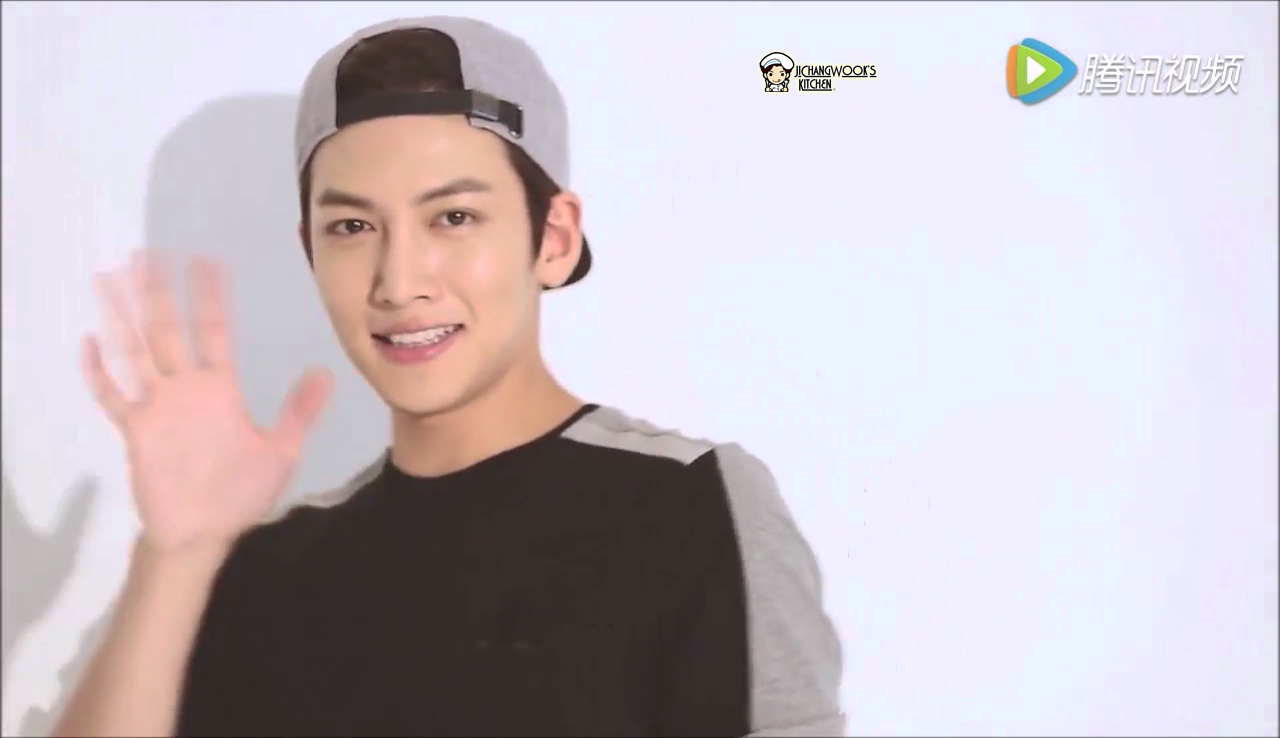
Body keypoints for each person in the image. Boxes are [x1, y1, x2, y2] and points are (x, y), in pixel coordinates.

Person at [53, 16, 845, 738]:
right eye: (352, 226)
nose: (399, 281)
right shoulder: (269, 565)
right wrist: (176, 554)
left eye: (453, 217)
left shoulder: (690, 505)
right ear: (310, 252)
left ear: (554, 237)